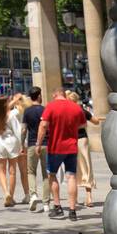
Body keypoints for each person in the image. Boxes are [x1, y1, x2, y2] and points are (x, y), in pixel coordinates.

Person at [37, 87, 89, 221]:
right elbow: (83, 124)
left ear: (55, 94)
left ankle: (57, 207)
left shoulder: (51, 106)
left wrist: (38, 143)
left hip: (55, 147)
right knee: (71, 177)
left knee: (52, 175)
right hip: (72, 146)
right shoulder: (75, 107)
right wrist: (71, 128)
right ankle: (72, 211)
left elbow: (43, 126)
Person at [0, 95, 24, 207]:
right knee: (12, 171)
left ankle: (6, 192)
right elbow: (18, 131)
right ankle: (10, 196)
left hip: (0, 142)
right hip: (11, 142)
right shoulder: (10, 115)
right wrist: (21, 145)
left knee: (1, 171)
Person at [66, 89, 99, 207]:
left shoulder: (67, 112)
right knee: (86, 166)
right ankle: (89, 197)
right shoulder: (82, 111)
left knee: (73, 169)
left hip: (70, 140)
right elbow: (96, 122)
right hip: (82, 139)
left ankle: (74, 198)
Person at [21, 86, 50, 211]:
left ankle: (33, 195)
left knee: (31, 171)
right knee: (46, 174)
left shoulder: (27, 112)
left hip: (32, 144)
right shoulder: (45, 110)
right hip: (46, 144)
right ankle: (46, 203)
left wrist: (22, 144)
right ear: (39, 96)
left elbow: (23, 130)